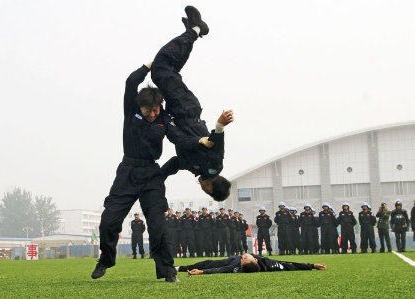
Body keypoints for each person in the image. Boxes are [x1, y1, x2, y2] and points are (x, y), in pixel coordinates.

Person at [91, 61, 204, 283]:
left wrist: (199, 141)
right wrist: (149, 66)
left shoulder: (164, 118)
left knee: (158, 225)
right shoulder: (131, 110)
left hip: (152, 175)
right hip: (127, 172)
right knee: (108, 221)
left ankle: (167, 270)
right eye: (147, 110)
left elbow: (178, 138)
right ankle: (107, 258)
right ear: (139, 106)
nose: (152, 113)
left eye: (155, 109)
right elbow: (131, 81)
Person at [152, 6, 234, 202]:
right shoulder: (214, 164)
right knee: (160, 69)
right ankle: (196, 29)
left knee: (171, 69)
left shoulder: (194, 167)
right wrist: (220, 125)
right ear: (210, 188)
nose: (202, 189)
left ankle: (192, 31)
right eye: (206, 191)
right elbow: (217, 145)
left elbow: (176, 162)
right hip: (185, 109)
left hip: (178, 112)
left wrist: (158, 177)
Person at [175, 253, 326, 275]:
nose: (244, 255)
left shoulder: (235, 266)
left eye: (244, 257)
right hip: (233, 260)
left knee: (207, 264)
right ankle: (179, 268)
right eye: (245, 256)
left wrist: (202, 272)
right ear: (255, 260)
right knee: (207, 262)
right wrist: (311, 265)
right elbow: (290, 265)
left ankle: (177, 269)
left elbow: (220, 269)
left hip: (228, 260)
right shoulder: (269, 264)